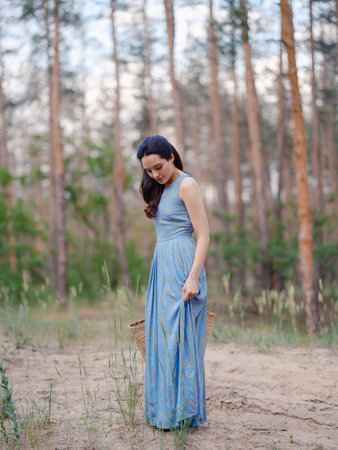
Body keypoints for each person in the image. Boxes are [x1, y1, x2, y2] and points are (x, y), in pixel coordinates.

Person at [136, 135, 210, 431]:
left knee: (181, 339)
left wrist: (193, 277)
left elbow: (203, 234)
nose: (155, 174)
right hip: (161, 266)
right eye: (149, 171)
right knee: (161, 339)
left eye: (158, 167)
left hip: (182, 265)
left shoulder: (186, 185)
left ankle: (184, 414)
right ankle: (165, 413)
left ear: (170, 156)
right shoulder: (160, 188)